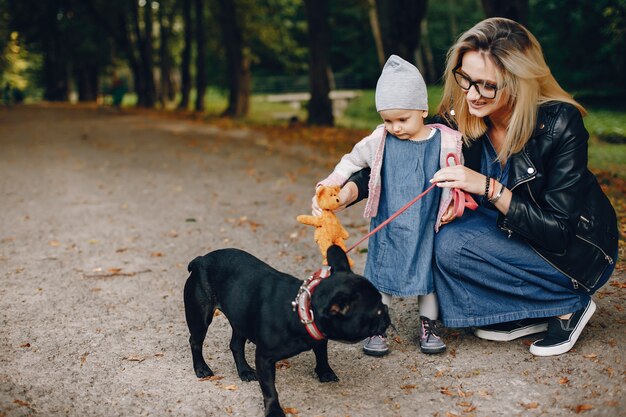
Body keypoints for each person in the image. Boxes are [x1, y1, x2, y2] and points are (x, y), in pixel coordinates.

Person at [345, 18, 618, 357]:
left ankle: (568, 304)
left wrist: (489, 187)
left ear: (518, 82)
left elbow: (559, 231)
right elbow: (401, 152)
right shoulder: (464, 119)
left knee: (452, 246)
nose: (472, 94)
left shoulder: (560, 123)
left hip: (576, 251)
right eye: (465, 79)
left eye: (487, 85)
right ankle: (524, 310)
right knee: (442, 239)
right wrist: (348, 189)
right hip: (509, 234)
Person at [311, 55, 465, 356]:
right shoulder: (380, 139)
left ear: (422, 110)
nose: (395, 127)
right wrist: (330, 185)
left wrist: (454, 203)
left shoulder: (445, 141)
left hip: (425, 224)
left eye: (402, 119)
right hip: (388, 224)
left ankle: (429, 326)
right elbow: (352, 161)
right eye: (387, 120)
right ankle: (376, 328)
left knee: (427, 279)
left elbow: (458, 178)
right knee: (381, 277)